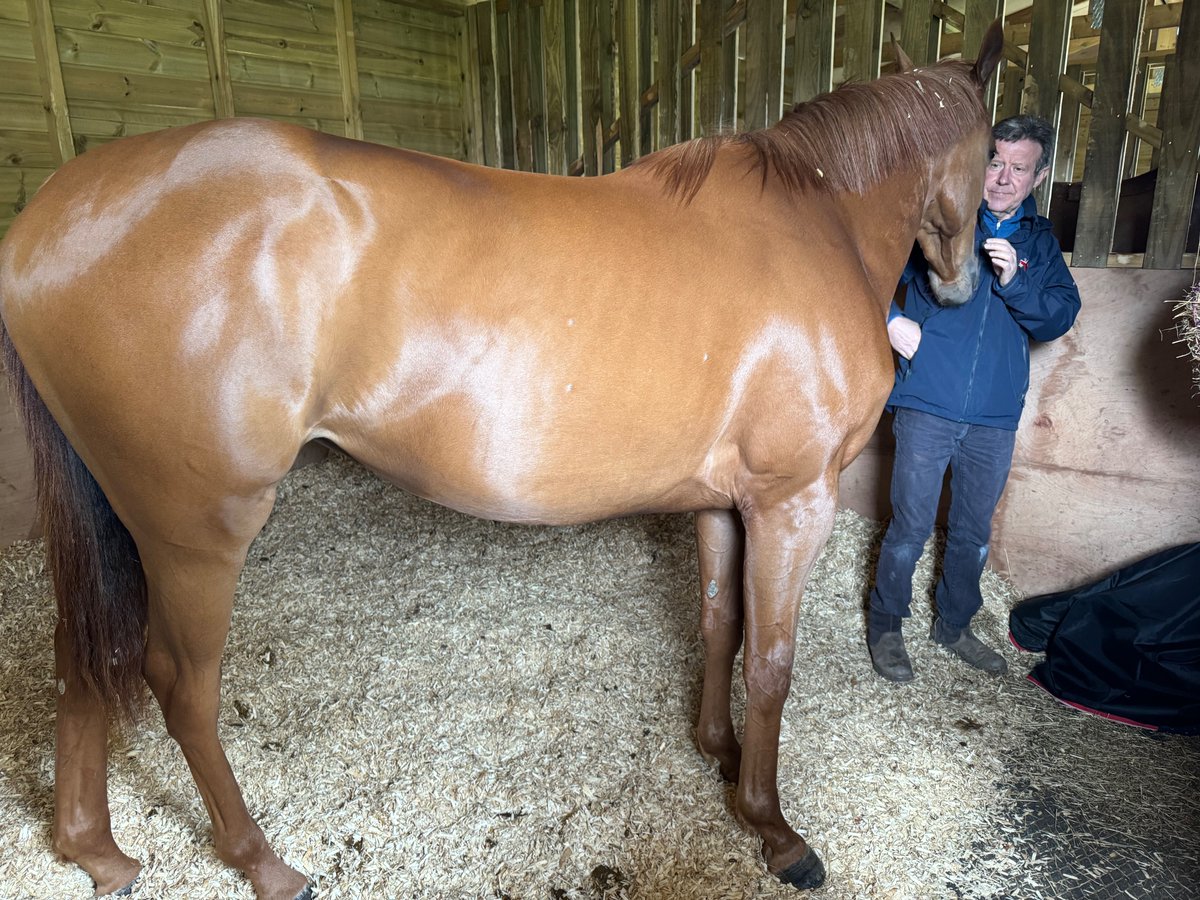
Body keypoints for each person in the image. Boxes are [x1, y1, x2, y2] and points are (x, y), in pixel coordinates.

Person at [867, 115, 1081, 683]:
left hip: (993, 415)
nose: (1003, 178)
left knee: (971, 531)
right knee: (910, 525)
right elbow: (872, 274)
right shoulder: (936, 222)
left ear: (1037, 176)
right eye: (995, 162)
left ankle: (954, 625)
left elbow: (1060, 315)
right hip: (928, 401)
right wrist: (891, 320)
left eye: (1018, 167)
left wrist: (1018, 281)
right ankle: (886, 622)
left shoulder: (1040, 243)